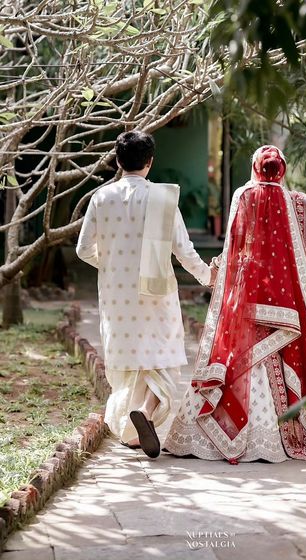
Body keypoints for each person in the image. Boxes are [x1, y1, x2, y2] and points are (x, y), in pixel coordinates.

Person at [164, 145, 306, 463]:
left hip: (247, 294)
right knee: (283, 356)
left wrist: (219, 274)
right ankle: (288, 435)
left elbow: (235, 243)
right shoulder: (297, 203)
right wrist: (298, 265)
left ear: (255, 168)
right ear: (283, 170)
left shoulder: (243, 195)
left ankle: (232, 435)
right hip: (285, 299)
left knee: (241, 356)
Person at [76, 130, 215, 458]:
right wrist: (209, 276)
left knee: (134, 360)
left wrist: (109, 264)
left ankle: (135, 430)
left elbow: (83, 249)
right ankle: (146, 413)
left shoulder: (101, 198)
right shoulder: (161, 198)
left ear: (118, 160)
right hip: (156, 292)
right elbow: (184, 250)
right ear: (150, 162)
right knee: (163, 358)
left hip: (116, 297)